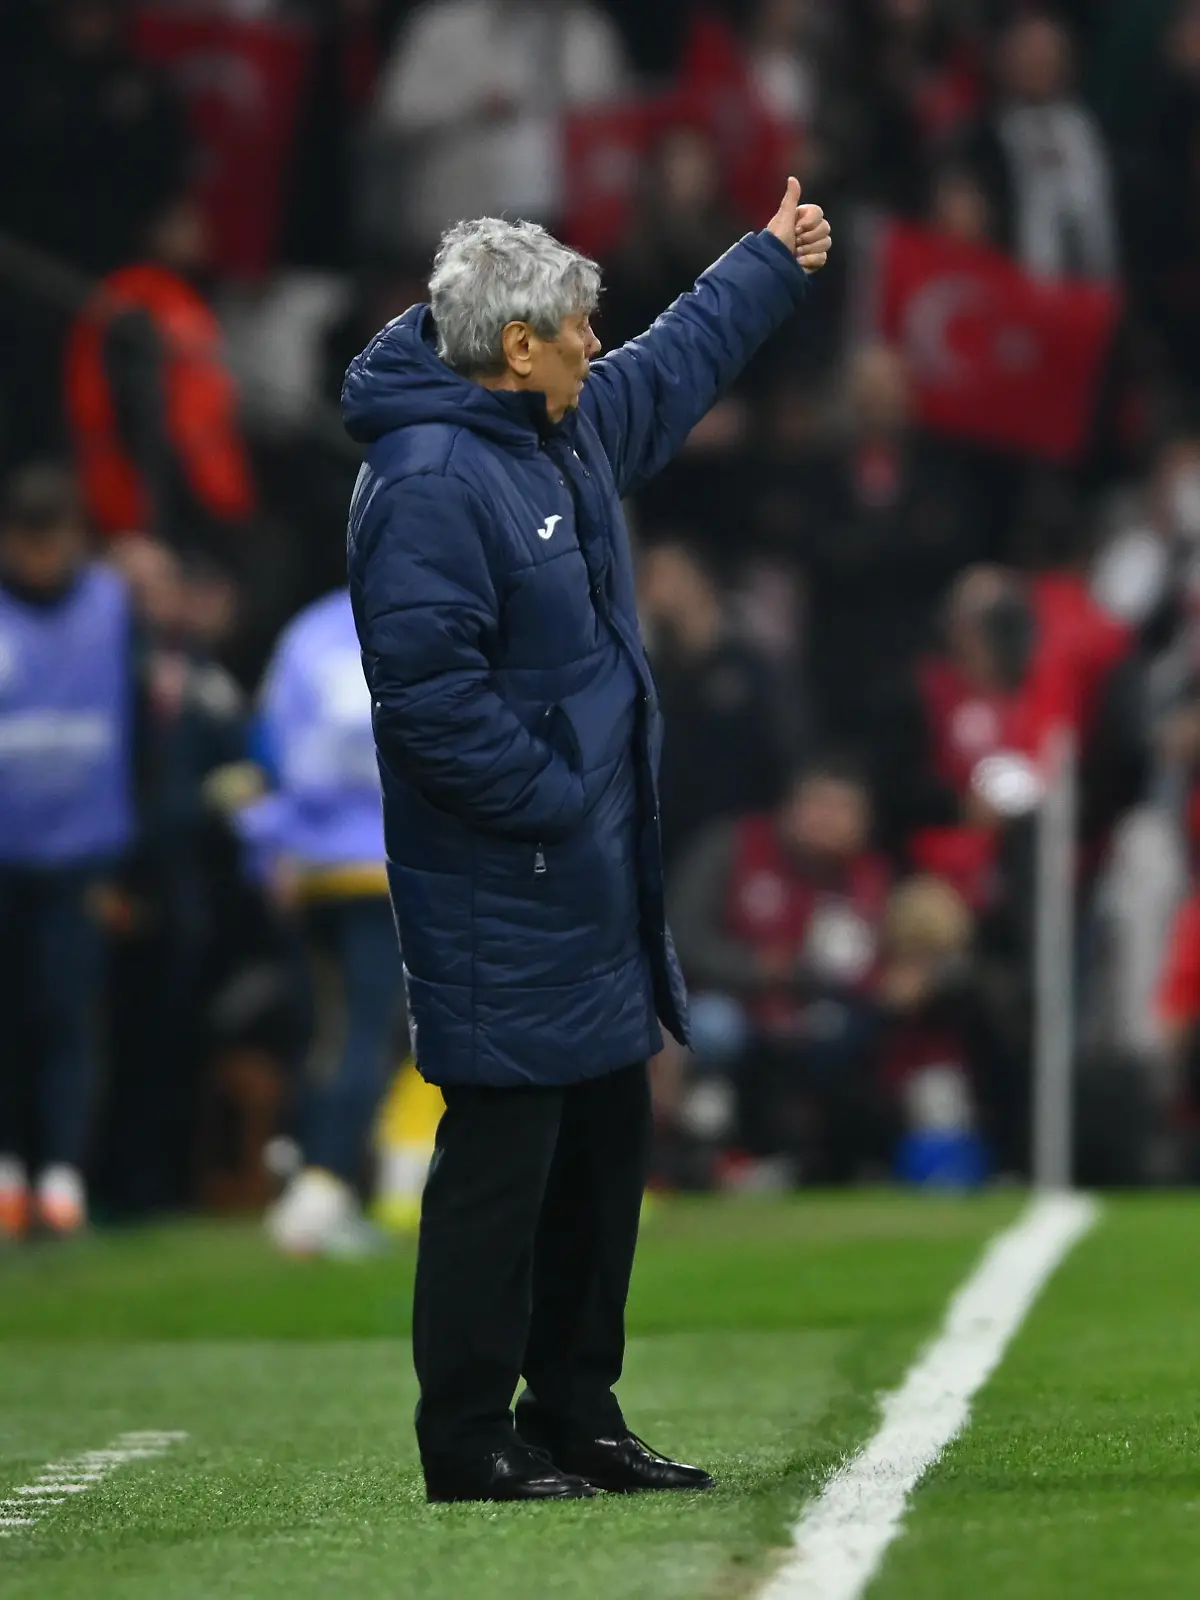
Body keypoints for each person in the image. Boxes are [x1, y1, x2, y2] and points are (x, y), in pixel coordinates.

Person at [342, 182, 831, 1501]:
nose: (595, 340)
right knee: (503, 1165)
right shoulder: (431, 479)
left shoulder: (551, 428)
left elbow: (670, 370)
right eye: (575, 324)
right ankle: (467, 1438)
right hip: (507, 884)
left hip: (589, 883)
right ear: (515, 348)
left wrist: (764, 263)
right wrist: (563, 797)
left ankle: (575, 1412)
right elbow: (430, 705)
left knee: (605, 1153)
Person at [233, 590, 405, 1258]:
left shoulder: (306, 632)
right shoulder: (430, 611)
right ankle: (321, 1189)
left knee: (332, 1032)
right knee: (367, 1031)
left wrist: (266, 846)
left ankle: (317, 1180)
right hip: (388, 858)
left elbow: (266, 746)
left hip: (311, 865)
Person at [0, 466, 136, 1238]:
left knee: (68, 1017)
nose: (43, 562)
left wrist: (134, 855)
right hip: (4, 852)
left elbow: (145, 734)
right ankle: (8, 1168)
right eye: (30, 545)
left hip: (84, 851)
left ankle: (61, 1176)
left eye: (56, 545)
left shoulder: (112, 608)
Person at [669, 759, 892, 1183]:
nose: (830, 822)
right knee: (715, 1025)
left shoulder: (867, 878)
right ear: (792, 808)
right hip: (727, 999)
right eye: (821, 807)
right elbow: (683, 935)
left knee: (850, 1031)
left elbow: (872, 964)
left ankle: (821, 1158)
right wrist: (757, 967)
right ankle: (700, 1150)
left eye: (844, 812)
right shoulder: (734, 847)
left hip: (816, 1009)